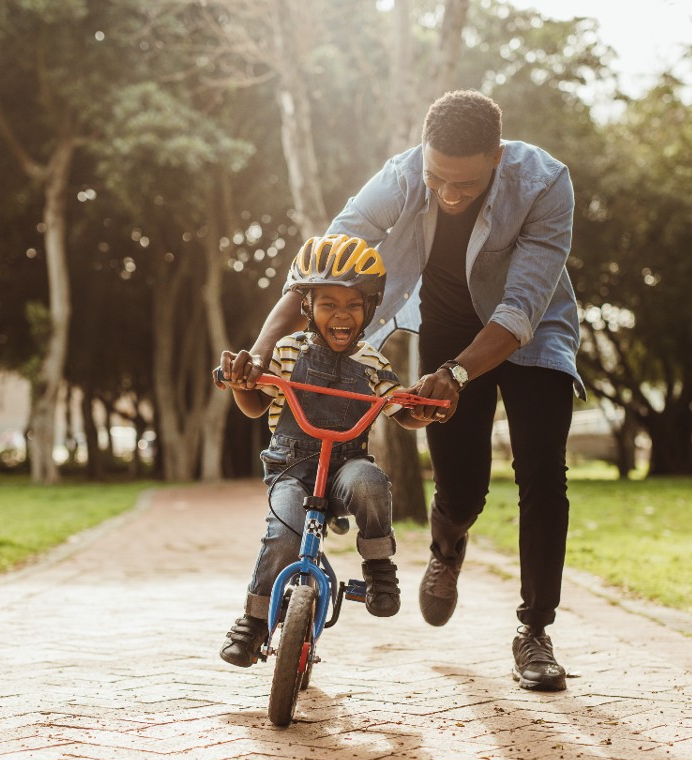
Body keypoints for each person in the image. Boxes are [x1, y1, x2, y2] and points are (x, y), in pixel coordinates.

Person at [232, 89, 584, 691]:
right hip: (448, 327)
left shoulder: (546, 183)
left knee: (543, 474)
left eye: (465, 186)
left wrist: (457, 376)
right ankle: (448, 544)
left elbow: (521, 307)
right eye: (437, 178)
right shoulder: (400, 176)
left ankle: (535, 631)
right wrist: (262, 347)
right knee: (464, 487)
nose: (448, 194)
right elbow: (324, 263)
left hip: (532, 332)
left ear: (496, 156)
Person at [215, 234, 435, 668]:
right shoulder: (284, 351)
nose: (341, 314)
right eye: (328, 303)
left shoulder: (372, 363)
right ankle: (254, 620)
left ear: (369, 309)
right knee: (284, 533)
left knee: (371, 484)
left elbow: (400, 410)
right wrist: (242, 384)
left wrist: (423, 409)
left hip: (345, 466)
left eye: (354, 305)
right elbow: (257, 404)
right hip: (292, 468)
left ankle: (377, 567)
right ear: (307, 307)